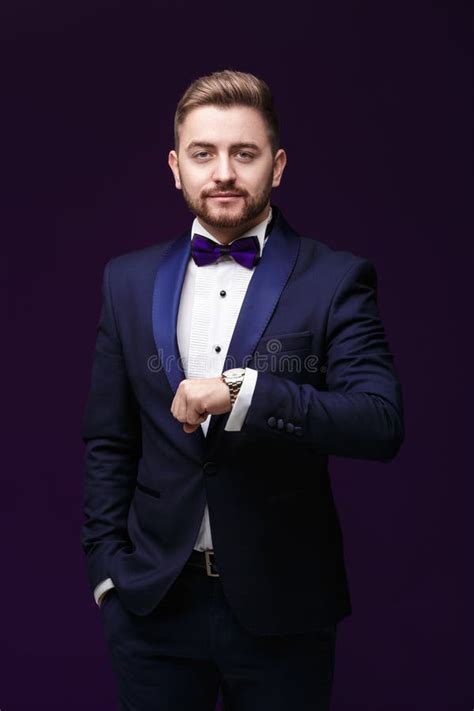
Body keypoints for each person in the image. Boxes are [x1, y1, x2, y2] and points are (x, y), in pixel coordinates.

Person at [81, 69, 404, 711]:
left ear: (277, 166)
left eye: (244, 153)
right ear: (176, 167)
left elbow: (378, 421)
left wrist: (244, 392)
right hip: (153, 606)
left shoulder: (337, 280)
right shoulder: (126, 280)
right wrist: (106, 573)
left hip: (285, 610)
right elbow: (109, 440)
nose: (223, 172)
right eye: (204, 154)